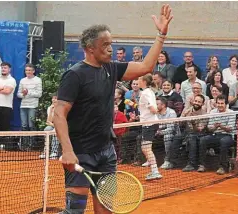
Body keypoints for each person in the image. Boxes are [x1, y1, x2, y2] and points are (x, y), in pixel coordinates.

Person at [54, 4, 173, 214]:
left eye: (111, 43)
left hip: (106, 153)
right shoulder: (75, 75)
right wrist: (69, 151)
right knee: (74, 211)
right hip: (81, 152)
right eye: (105, 44)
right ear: (91, 48)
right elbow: (59, 114)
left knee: (106, 211)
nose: (110, 48)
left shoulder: (111, 68)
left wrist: (160, 35)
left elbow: (146, 67)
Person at [137, 74, 162, 180]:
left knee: (146, 148)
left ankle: (155, 171)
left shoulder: (145, 93)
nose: (137, 81)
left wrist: (156, 110)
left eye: (138, 79)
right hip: (149, 123)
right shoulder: (148, 92)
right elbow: (147, 108)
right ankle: (152, 166)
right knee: (144, 147)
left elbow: (153, 109)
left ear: (144, 81)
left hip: (149, 124)